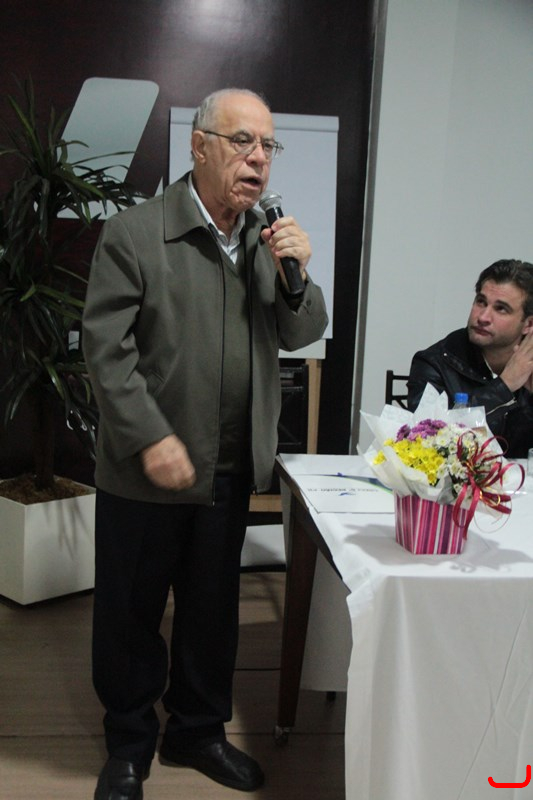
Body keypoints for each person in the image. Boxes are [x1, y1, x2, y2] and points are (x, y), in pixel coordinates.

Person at [82, 87, 328, 800]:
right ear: (198, 146)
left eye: (268, 146)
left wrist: (297, 275)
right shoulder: (136, 234)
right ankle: (129, 744)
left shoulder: (265, 238)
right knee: (130, 616)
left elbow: (302, 330)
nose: (258, 159)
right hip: (147, 470)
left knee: (211, 612)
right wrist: (149, 435)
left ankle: (197, 730)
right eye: (242, 141)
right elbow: (107, 353)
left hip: (227, 467)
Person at [407, 259, 533, 457]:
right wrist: (504, 386)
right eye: (481, 302)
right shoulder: (434, 363)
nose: (483, 317)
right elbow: (429, 442)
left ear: (528, 324)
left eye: (501, 309)